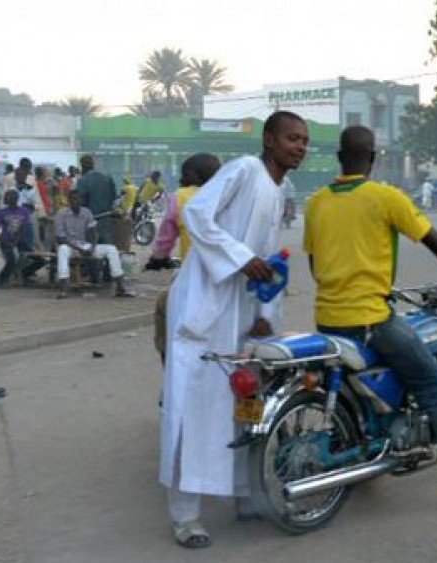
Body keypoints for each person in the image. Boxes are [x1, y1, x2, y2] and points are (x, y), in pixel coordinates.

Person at [305, 125, 437, 510]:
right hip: (371, 320)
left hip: (328, 319)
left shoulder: (317, 202)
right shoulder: (385, 197)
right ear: (372, 159)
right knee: (434, 388)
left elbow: (316, 266)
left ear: (339, 158)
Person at [159, 111, 306, 549]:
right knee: (192, 407)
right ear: (269, 139)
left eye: (304, 140)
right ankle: (186, 517)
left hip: (243, 312)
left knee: (245, 404)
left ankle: (245, 495)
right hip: (205, 305)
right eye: (292, 138)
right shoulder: (244, 170)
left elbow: (269, 261)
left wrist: (265, 313)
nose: (300, 146)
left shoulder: (279, 191)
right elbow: (197, 214)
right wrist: (241, 259)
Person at [146, 153, 222, 364]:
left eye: (185, 174)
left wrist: (157, 258)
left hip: (194, 280)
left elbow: (165, 238)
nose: (181, 179)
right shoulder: (228, 195)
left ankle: (168, 363)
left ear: (197, 176)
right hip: (227, 279)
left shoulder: (180, 197)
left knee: (164, 306)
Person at [53, 191, 131, 299]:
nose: (76, 201)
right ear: (69, 201)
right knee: (62, 249)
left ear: (82, 201)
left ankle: (120, 288)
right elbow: (60, 238)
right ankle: (64, 289)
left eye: (78, 199)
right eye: (73, 199)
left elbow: (93, 233)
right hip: (70, 246)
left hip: (85, 246)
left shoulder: (87, 213)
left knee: (111, 249)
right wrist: (79, 249)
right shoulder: (61, 214)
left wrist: (92, 248)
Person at [0, 190, 42, 287]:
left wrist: (17, 240)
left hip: (20, 241)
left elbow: (23, 228)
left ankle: (23, 274)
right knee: (11, 259)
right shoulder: (2, 212)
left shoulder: (24, 211)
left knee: (40, 260)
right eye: (7, 197)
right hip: (6, 241)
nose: (8, 199)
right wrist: (0, 239)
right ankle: (2, 278)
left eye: (10, 196)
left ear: (16, 198)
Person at [74, 155, 117, 246]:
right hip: (106, 220)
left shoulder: (83, 180)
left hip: (90, 221)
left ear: (82, 166)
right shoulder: (108, 177)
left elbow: (79, 202)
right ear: (93, 164)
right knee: (106, 249)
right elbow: (114, 198)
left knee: (90, 249)